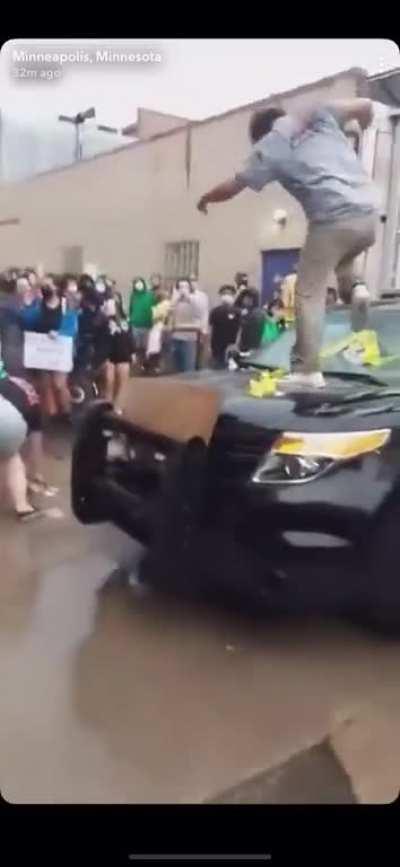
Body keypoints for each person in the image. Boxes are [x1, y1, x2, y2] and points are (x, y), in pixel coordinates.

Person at [197, 91, 378, 389]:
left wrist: (206, 198)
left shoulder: (270, 145)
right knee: (343, 256)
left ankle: (306, 370)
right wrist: (364, 126)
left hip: (331, 219)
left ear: (259, 135)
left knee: (308, 292)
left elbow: (233, 185)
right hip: (368, 214)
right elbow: (366, 106)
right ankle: (355, 287)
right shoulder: (318, 114)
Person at [0, 360, 57, 520]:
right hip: (9, 421)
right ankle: (23, 506)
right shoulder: (24, 387)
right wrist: (36, 474)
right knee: (11, 460)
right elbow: (36, 433)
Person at [98, 293, 135, 414]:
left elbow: (130, 337)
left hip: (123, 353)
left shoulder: (125, 322)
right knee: (109, 380)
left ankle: (118, 406)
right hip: (107, 354)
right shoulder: (101, 321)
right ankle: (107, 404)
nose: (110, 306)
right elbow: (97, 336)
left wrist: (133, 352)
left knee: (122, 381)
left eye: (112, 304)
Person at [169, 277, 203, 373]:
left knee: (188, 369)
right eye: (180, 287)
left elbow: (200, 316)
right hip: (175, 338)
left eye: (185, 286)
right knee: (175, 369)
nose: (183, 289)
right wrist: (175, 300)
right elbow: (168, 314)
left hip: (189, 340)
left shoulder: (196, 300)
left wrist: (189, 297)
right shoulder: (175, 301)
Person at [209, 285, 241, 369]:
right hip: (217, 346)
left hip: (232, 346)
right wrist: (209, 345)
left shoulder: (238, 311)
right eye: (224, 293)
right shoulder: (215, 311)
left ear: (233, 295)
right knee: (217, 368)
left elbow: (240, 329)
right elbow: (211, 328)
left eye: (229, 294)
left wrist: (236, 344)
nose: (226, 296)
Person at [128, 277, 155, 367]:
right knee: (136, 347)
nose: (138, 285)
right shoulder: (133, 296)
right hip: (135, 324)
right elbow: (131, 309)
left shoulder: (150, 295)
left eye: (139, 283)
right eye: (136, 283)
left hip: (147, 325)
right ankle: (138, 365)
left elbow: (154, 309)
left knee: (145, 347)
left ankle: (145, 365)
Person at [235, 287, 265, 353]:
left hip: (247, 348)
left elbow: (241, 328)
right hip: (256, 348)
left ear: (251, 299)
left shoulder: (250, 313)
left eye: (246, 298)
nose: (243, 300)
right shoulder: (261, 312)